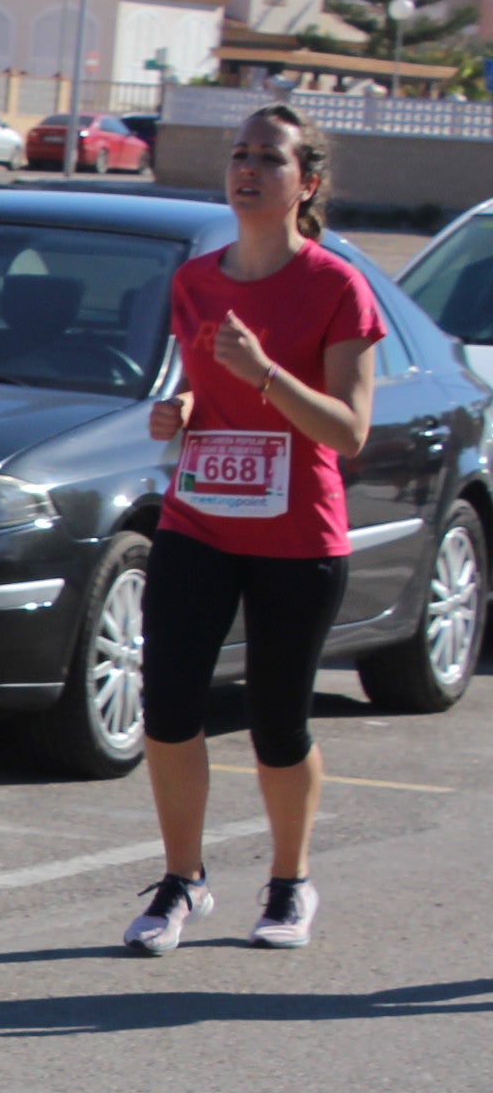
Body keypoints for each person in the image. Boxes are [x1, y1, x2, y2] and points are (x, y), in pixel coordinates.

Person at [125, 104, 381, 956]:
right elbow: (206, 387)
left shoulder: (337, 287)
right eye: (238, 154)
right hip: (199, 519)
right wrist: (182, 408)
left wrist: (266, 373)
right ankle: (181, 879)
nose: (247, 169)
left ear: (305, 183)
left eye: (269, 158)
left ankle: (290, 882)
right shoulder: (196, 281)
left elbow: (348, 431)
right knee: (168, 708)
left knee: (277, 720)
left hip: (298, 535)